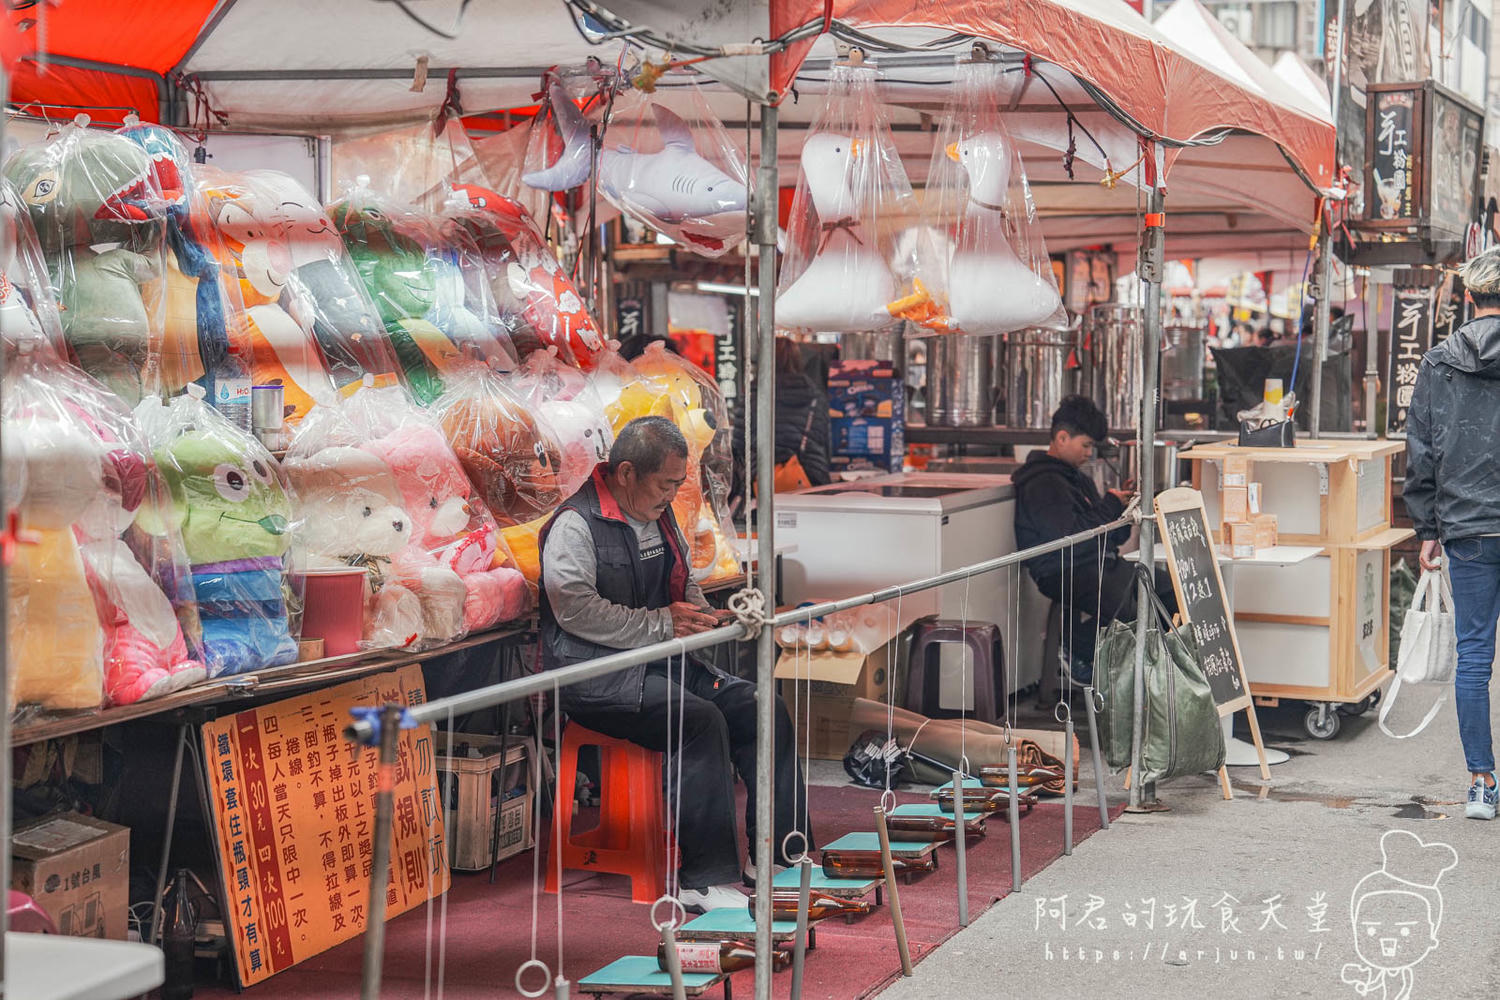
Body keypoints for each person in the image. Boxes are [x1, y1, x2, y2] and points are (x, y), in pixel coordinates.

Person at [539, 416, 809, 909]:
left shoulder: (660, 517)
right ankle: (702, 879)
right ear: (625, 473)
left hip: (662, 665)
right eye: (666, 483)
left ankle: (778, 853)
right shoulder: (574, 526)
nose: (672, 494)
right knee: (698, 721)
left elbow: (684, 590)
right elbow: (574, 608)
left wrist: (712, 617)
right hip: (596, 678)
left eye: (678, 483)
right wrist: (663, 624)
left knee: (760, 704)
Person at [1403, 247, 1500, 821]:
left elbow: (1423, 452)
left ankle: (1482, 783)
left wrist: (1428, 528)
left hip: (1465, 527)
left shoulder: (1439, 362)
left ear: (1468, 296)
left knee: (1474, 658)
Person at [1013, 395, 1175, 679]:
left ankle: (1147, 673)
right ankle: (1080, 648)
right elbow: (1069, 537)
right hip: (1063, 569)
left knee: (1168, 591)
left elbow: (1109, 536)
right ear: (1062, 437)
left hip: (1096, 562)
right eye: (1085, 445)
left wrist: (1122, 510)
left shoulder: (1078, 478)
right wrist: (1111, 505)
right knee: (1134, 611)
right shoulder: (1042, 482)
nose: (1089, 453)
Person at [730, 337, 832, 510]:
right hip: (808, 475)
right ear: (798, 360)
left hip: (759, 479)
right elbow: (823, 441)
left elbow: (739, 444)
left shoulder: (752, 396)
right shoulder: (815, 397)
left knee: (761, 531)